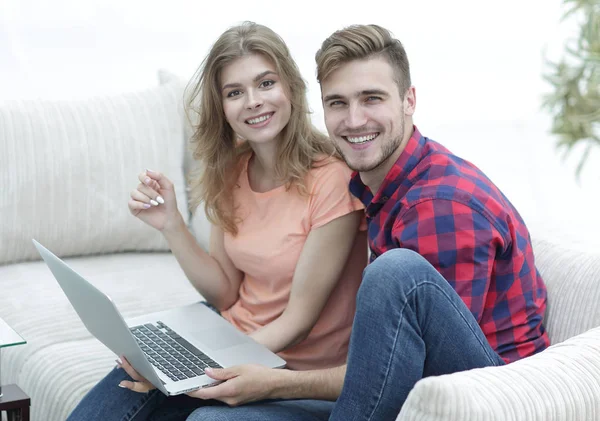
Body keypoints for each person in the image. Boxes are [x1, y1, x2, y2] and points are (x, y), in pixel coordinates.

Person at [178, 24, 551, 421]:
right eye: (337, 103)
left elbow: (418, 374)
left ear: (409, 100)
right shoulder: (378, 186)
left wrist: (272, 383)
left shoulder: (438, 206)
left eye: (371, 99)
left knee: (395, 271)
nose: (354, 120)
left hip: (494, 394)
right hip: (425, 379)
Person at [67, 21, 367, 420]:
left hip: (289, 372)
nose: (253, 101)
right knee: (115, 394)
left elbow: (297, 321)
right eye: (235, 92)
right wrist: (172, 224)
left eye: (265, 83)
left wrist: (199, 364)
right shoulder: (231, 169)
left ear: (291, 87)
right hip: (230, 336)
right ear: (221, 106)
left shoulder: (332, 178)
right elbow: (226, 294)